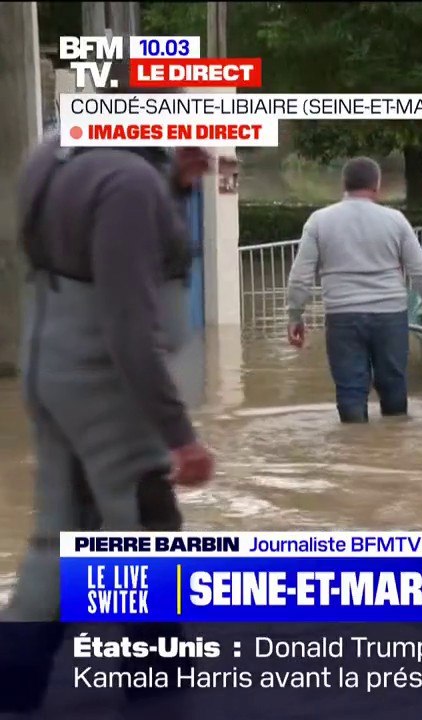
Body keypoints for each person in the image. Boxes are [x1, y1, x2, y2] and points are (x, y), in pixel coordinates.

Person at [2, 64, 215, 712]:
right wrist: (181, 436)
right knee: (150, 529)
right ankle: (158, 694)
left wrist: (171, 184)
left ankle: (15, 687)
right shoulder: (127, 181)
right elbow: (129, 327)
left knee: (63, 536)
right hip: (105, 379)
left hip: (50, 363)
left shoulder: (53, 151)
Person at [285, 157, 422, 424]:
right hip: (390, 315)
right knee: (393, 384)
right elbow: (420, 270)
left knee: (350, 389)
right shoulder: (396, 220)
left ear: (343, 185)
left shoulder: (319, 221)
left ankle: (353, 452)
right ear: (377, 185)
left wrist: (295, 315)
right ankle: (394, 450)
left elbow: (300, 276)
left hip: (342, 315)